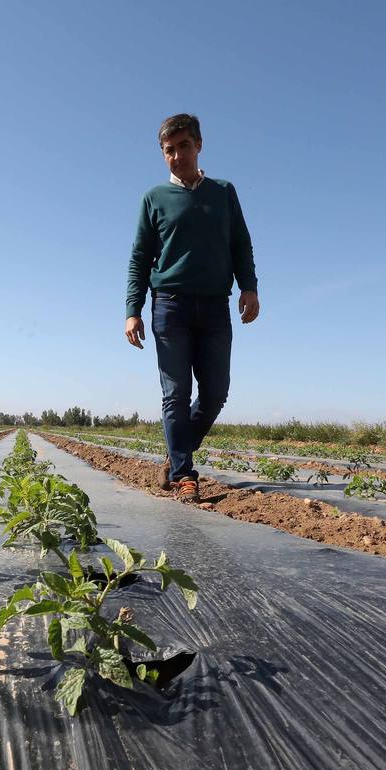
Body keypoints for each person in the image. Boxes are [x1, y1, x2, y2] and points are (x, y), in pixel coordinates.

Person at [125, 113, 259, 502]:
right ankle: (184, 474)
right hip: (169, 304)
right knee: (175, 393)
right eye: (169, 150)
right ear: (163, 155)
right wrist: (132, 308)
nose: (177, 155)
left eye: (184, 145)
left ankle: (176, 451)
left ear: (198, 145)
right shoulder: (154, 199)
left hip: (216, 305)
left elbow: (241, 245)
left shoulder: (223, 192)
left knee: (216, 392)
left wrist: (248, 287)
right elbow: (139, 258)